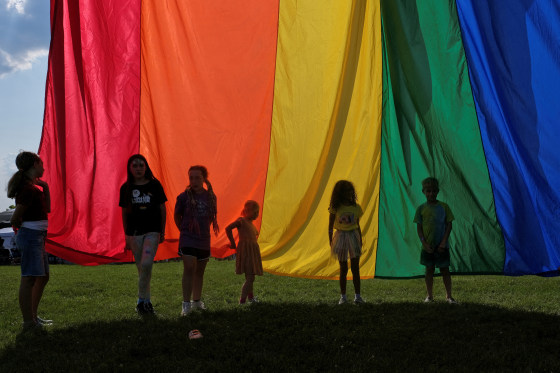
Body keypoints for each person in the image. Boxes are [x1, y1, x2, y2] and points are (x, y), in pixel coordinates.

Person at [7, 151, 52, 330]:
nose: (43, 167)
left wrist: (46, 187)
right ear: (35, 164)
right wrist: (22, 233)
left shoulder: (33, 188)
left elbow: (47, 208)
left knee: (43, 277)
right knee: (29, 279)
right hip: (31, 237)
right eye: (41, 163)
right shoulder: (27, 189)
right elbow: (15, 218)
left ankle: (33, 317)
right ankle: (28, 322)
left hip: (38, 237)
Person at [119, 154, 167, 314]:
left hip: (152, 231)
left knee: (146, 264)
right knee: (142, 268)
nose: (138, 168)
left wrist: (162, 230)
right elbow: (124, 213)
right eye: (135, 165)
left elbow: (162, 208)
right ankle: (147, 302)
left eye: (141, 165)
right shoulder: (125, 188)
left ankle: (140, 301)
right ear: (130, 168)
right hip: (134, 233)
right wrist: (126, 235)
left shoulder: (155, 185)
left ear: (146, 167)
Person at [174, 165, 219, 316]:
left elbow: (212, 218)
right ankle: (185, 305)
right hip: (188, 239)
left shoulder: (211, 197)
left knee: (199, 271)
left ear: (204, 179)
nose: (194, 180)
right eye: (191, 177)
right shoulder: (183, 197)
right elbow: (177, 216)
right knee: (189, 267)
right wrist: (185, 231)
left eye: (197, 177)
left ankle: (197, 301)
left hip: (203, 240)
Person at [413, 177, 456, 304]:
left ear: (437, 191)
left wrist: (443, 242)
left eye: (433, 191)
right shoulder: (421, 209)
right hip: (428, 247)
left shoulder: (444, 207)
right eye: (428, 191)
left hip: (442, 246)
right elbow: (419, 228)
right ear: (423, 192)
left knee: (445, 270)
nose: (431, 193)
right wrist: (424, 244)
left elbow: (449, 224)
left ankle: (449, 296)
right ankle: (429, 296)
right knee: (429, 270)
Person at [328, 180, 364, 305]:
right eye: (346, 191)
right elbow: (330, 224)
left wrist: (360, 239)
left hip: (353, 236)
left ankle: (357, 296)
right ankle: (343, 297)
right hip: (341, 237)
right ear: (340, 193)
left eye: (351, 190)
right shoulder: (335, 207)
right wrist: (330, 239)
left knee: (355, 268)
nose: (350, 193)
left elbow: (357, 225)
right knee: (343, 268)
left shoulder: (356, 207)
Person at [225, 200, 263, 304]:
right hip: (246, 252)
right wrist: (233, 243)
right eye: (254, 212)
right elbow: (228, 228)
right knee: (250, 277)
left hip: (252, 252)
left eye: (257, 212)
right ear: (246, 211)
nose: (256, 214)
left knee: (250, 276)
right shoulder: (242, 220)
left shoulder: (252, 224)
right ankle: (242, 301)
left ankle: (251, 297)